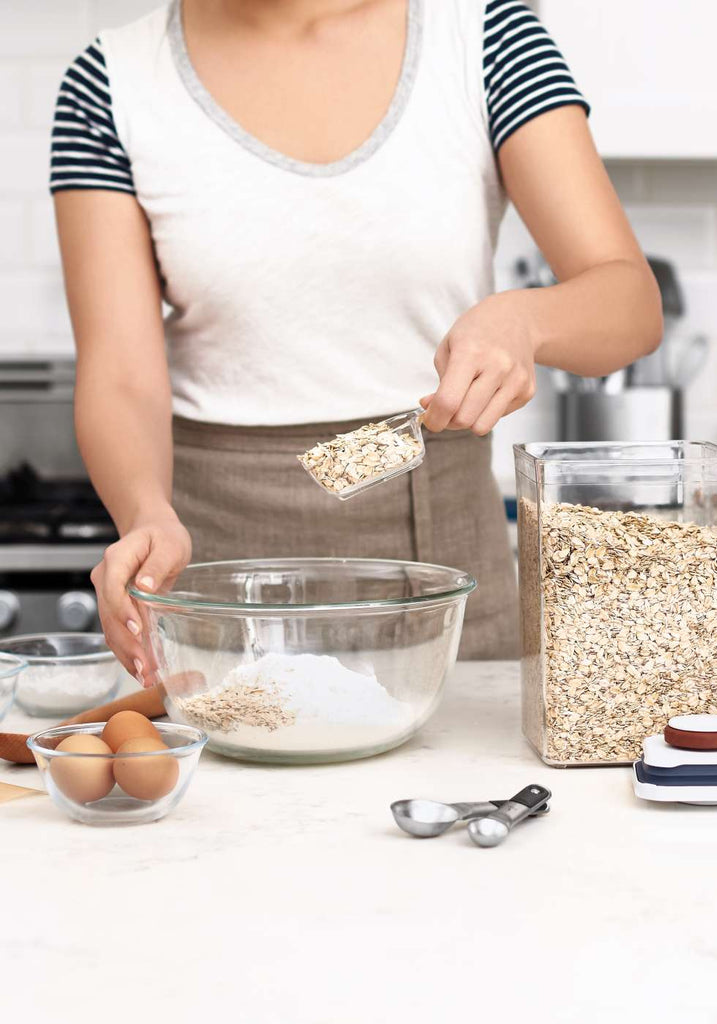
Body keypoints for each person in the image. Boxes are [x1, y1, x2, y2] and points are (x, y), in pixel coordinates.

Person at [51, 0, 662, 678]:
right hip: (208, 560)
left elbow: (629, 303)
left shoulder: (486, 35)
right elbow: (120, 373)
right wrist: (144, 512)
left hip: (440, 549)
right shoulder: (110, 81)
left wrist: (526, 319)